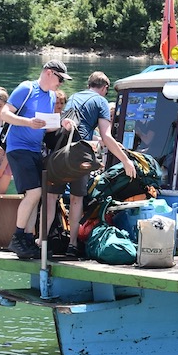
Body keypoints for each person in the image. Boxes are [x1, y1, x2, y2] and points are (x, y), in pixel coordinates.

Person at [0, 60, 67, 259]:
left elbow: (46, 125)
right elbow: (4, 113)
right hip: (18, 148)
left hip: (36, 150)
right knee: (34, 192)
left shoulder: (52, 96)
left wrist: (63, 123)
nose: (60, 83)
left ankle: (27, 239)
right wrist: (27, 122)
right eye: (59, 79)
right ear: (49, 73)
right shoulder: (26, 88)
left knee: (37, 194)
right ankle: (17, 237)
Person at [63, 72, 137, 257]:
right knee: (76, 198)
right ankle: (72, 244)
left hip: (61, 153)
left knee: (51, 198)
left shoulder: (74, 97)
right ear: (104, 88)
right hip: (80, 155)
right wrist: (126, 161)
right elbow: (107, 135)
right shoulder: (101, 102)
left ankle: (43, 242)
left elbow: (78, 128)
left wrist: (102, 142)